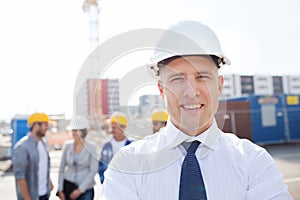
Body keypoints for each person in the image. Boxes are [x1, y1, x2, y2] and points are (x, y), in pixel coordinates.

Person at [99, 21, 293, 199]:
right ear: (161, 90)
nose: (191, 92)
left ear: (219, 86)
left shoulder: (254, 163)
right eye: (177, 79)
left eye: (202, 77)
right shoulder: (127, 166)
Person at [13, 112, 54, 200]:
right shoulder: (22, 147)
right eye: (45, 125)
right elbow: (20, 177)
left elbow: (42, 166)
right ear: (36, 125)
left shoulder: (43, 144)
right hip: (31, 197)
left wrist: (49, 182)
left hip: (44, 194)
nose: (47, 128)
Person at [57, 115, 98, 200]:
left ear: (83, 131)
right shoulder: (67, 146)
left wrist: (80, 190)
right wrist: (60, 190)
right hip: (68, 187)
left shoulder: (91, 148)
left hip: (86, 190)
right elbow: (61, 170)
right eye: (73, 130)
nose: (73, 132)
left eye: (76, 130)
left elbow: (93, 171)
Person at [98, 112, 132, 183]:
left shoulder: (132, 145)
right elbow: (101, 166)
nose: (112, 130)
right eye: (111, 127)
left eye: (114, 127)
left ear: (123, 127)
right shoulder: (106, 145)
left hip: (127, 185)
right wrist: (104, 181)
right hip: (110, 184)